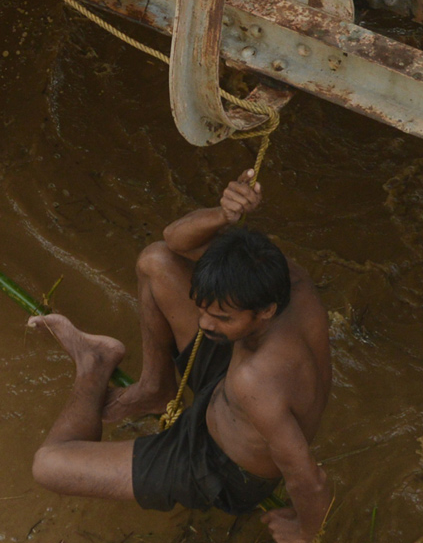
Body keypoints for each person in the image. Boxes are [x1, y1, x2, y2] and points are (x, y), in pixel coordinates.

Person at [29, 170, 333, 543]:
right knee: (156, 260)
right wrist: (223, 214)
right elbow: (175, 239)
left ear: (266, 310)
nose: (204, 323)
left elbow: (310, 480)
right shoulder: (286, 276)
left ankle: (93, 367)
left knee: (48, 465)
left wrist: (305, 532)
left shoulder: (257, 380)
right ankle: (156, 387)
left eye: (221, 317)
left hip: (217, 463)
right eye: (201, 308)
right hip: (230, 382)